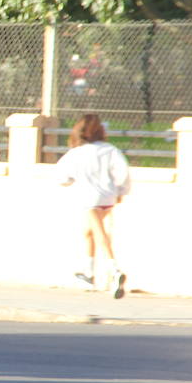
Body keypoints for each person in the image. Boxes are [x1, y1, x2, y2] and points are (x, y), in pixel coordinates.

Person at [56, 113, 130, 298]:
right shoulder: (110, 149)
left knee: (99, 234)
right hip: (108, 198)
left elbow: (62, 177)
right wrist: (121, 191)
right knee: (88, 232)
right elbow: (123, 172)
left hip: (89, 199)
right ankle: (88, 272)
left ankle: (114, 270)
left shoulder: (77, 153)